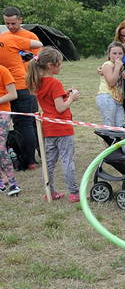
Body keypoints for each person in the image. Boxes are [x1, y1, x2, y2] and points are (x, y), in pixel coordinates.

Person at [26, 47, 81, 202]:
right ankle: (74, 193)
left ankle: (49, 191)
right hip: (62, 127)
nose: (61, 66)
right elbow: (60, 107)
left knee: (49, 161)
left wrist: (65, 94)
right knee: (67, 160)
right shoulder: (54, 83)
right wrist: (72, 98)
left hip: (49, 128)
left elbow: (51, 101)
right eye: (60, 63)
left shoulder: (38, 82)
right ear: (51, 65)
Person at [0, 9, 43, 170]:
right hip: (10, 87)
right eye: (7, 23)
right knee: (21, 124)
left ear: (20, 20)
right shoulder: (4, 37)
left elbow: (40, 59)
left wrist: (27, 57)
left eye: (13, 23)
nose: (10, 26)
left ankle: (34, 157)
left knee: (30, 122)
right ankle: (22, 157)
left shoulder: (29, 36)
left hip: (27, 83)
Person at [96, 41, 125, 128]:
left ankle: (117, 142)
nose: (117, 56)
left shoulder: (120, 66)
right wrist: (117, 68)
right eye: (114, 53)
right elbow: (111, 82)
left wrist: (121, 69)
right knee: (109, 125)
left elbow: (124, 77)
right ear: (109, 54)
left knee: (120, 125)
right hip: (107, 97)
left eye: (120, 53)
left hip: (118, 99)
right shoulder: (107, 65)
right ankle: (107, 142)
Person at [0, 61, 20, 195]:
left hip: (2, 113)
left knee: (1, 148)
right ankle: (1, 182)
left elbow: (13, 94)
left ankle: (13, 183)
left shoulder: (3, 70)